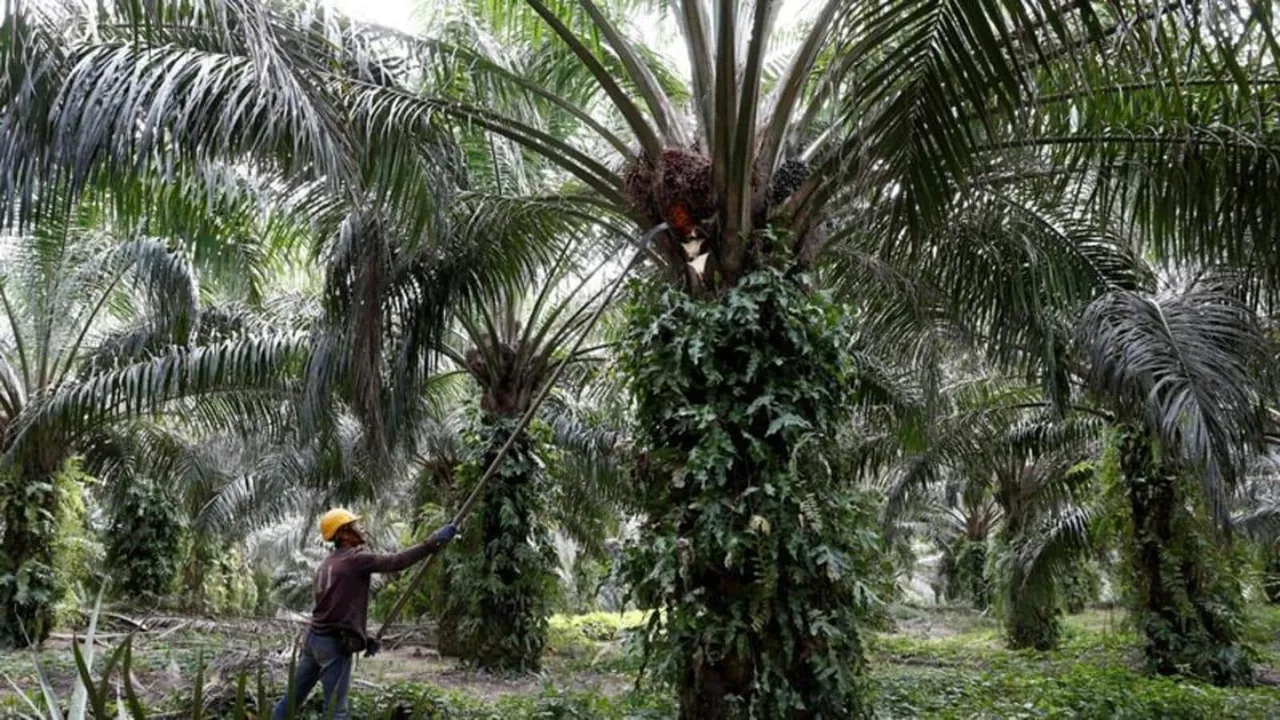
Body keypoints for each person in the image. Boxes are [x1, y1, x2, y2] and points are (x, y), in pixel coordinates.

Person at [270, 508, 458, 720]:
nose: (363, 528)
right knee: (336, 712)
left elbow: (335, 610)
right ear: (343, 534)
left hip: (313, 641)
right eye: (357, 525)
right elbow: (396, 562)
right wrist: (431, 544)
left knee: (292, 700)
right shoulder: (355, 559)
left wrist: (363, 637)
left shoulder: (328, 563)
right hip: (333, 645)